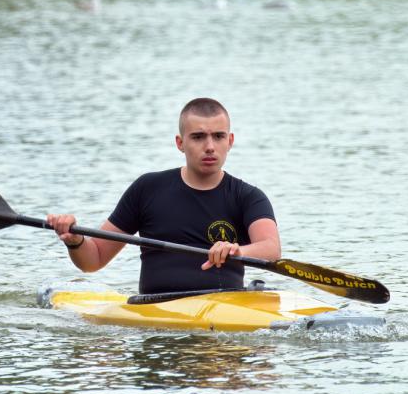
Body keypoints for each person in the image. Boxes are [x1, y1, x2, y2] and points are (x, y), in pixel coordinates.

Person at [47, 98, 281, 294]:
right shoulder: (147, 189)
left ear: (230, 141)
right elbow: (94, 259)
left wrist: (237, 251)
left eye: (218, 136)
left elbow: (272, 249)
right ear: (180, 143)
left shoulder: (248, 197)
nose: (210, 146)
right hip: (156, 316)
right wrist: (75, 241)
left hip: (223, 319)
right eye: (198, 137)